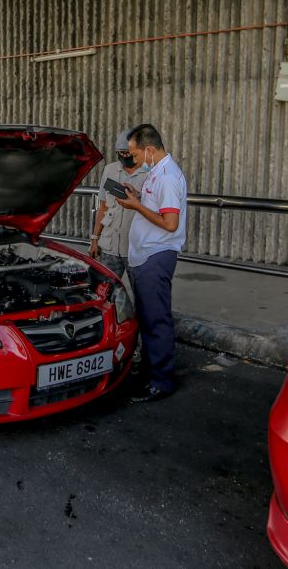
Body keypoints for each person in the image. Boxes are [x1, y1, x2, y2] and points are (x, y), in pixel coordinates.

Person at [116, 123, 187, 402]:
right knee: (147, 318)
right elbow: (154, 210)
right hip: (144, 255)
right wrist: (135, 198)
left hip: (156, 255)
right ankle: (149, 372)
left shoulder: (168, 176)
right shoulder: (156, 174)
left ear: (148, 150)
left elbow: (170, 223)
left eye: (134, 154)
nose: (132, 160)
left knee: (157, 319)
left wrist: (136, 206)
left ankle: (161, 381)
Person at [89, 128, 149, 285]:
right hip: (110, 246)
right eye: (122, 153)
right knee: (104, 290)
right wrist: (95, 239)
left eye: (130, 153)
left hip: (135, 248)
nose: (126, 156)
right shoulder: (109, 170)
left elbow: (156, 211)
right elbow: (103, 207)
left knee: (142, 293)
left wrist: (139, 198)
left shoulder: (150, 174)